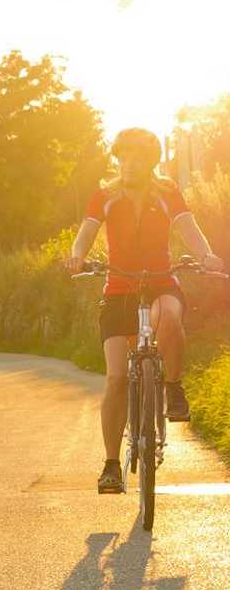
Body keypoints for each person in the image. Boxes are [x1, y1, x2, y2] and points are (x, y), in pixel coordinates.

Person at [64, 128, 225, 493]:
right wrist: (77, 255)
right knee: (117, 378)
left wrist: (206, 256)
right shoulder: (104, 196)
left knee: (170, 315)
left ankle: (172, 387)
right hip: (118, 289)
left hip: (160, 283)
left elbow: (189, 228)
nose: (131, 163)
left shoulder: (167, 192)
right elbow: (86, 232)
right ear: (117, 158)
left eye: (139, 157)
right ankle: (110, 464)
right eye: (125, 156)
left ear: (151, 162)